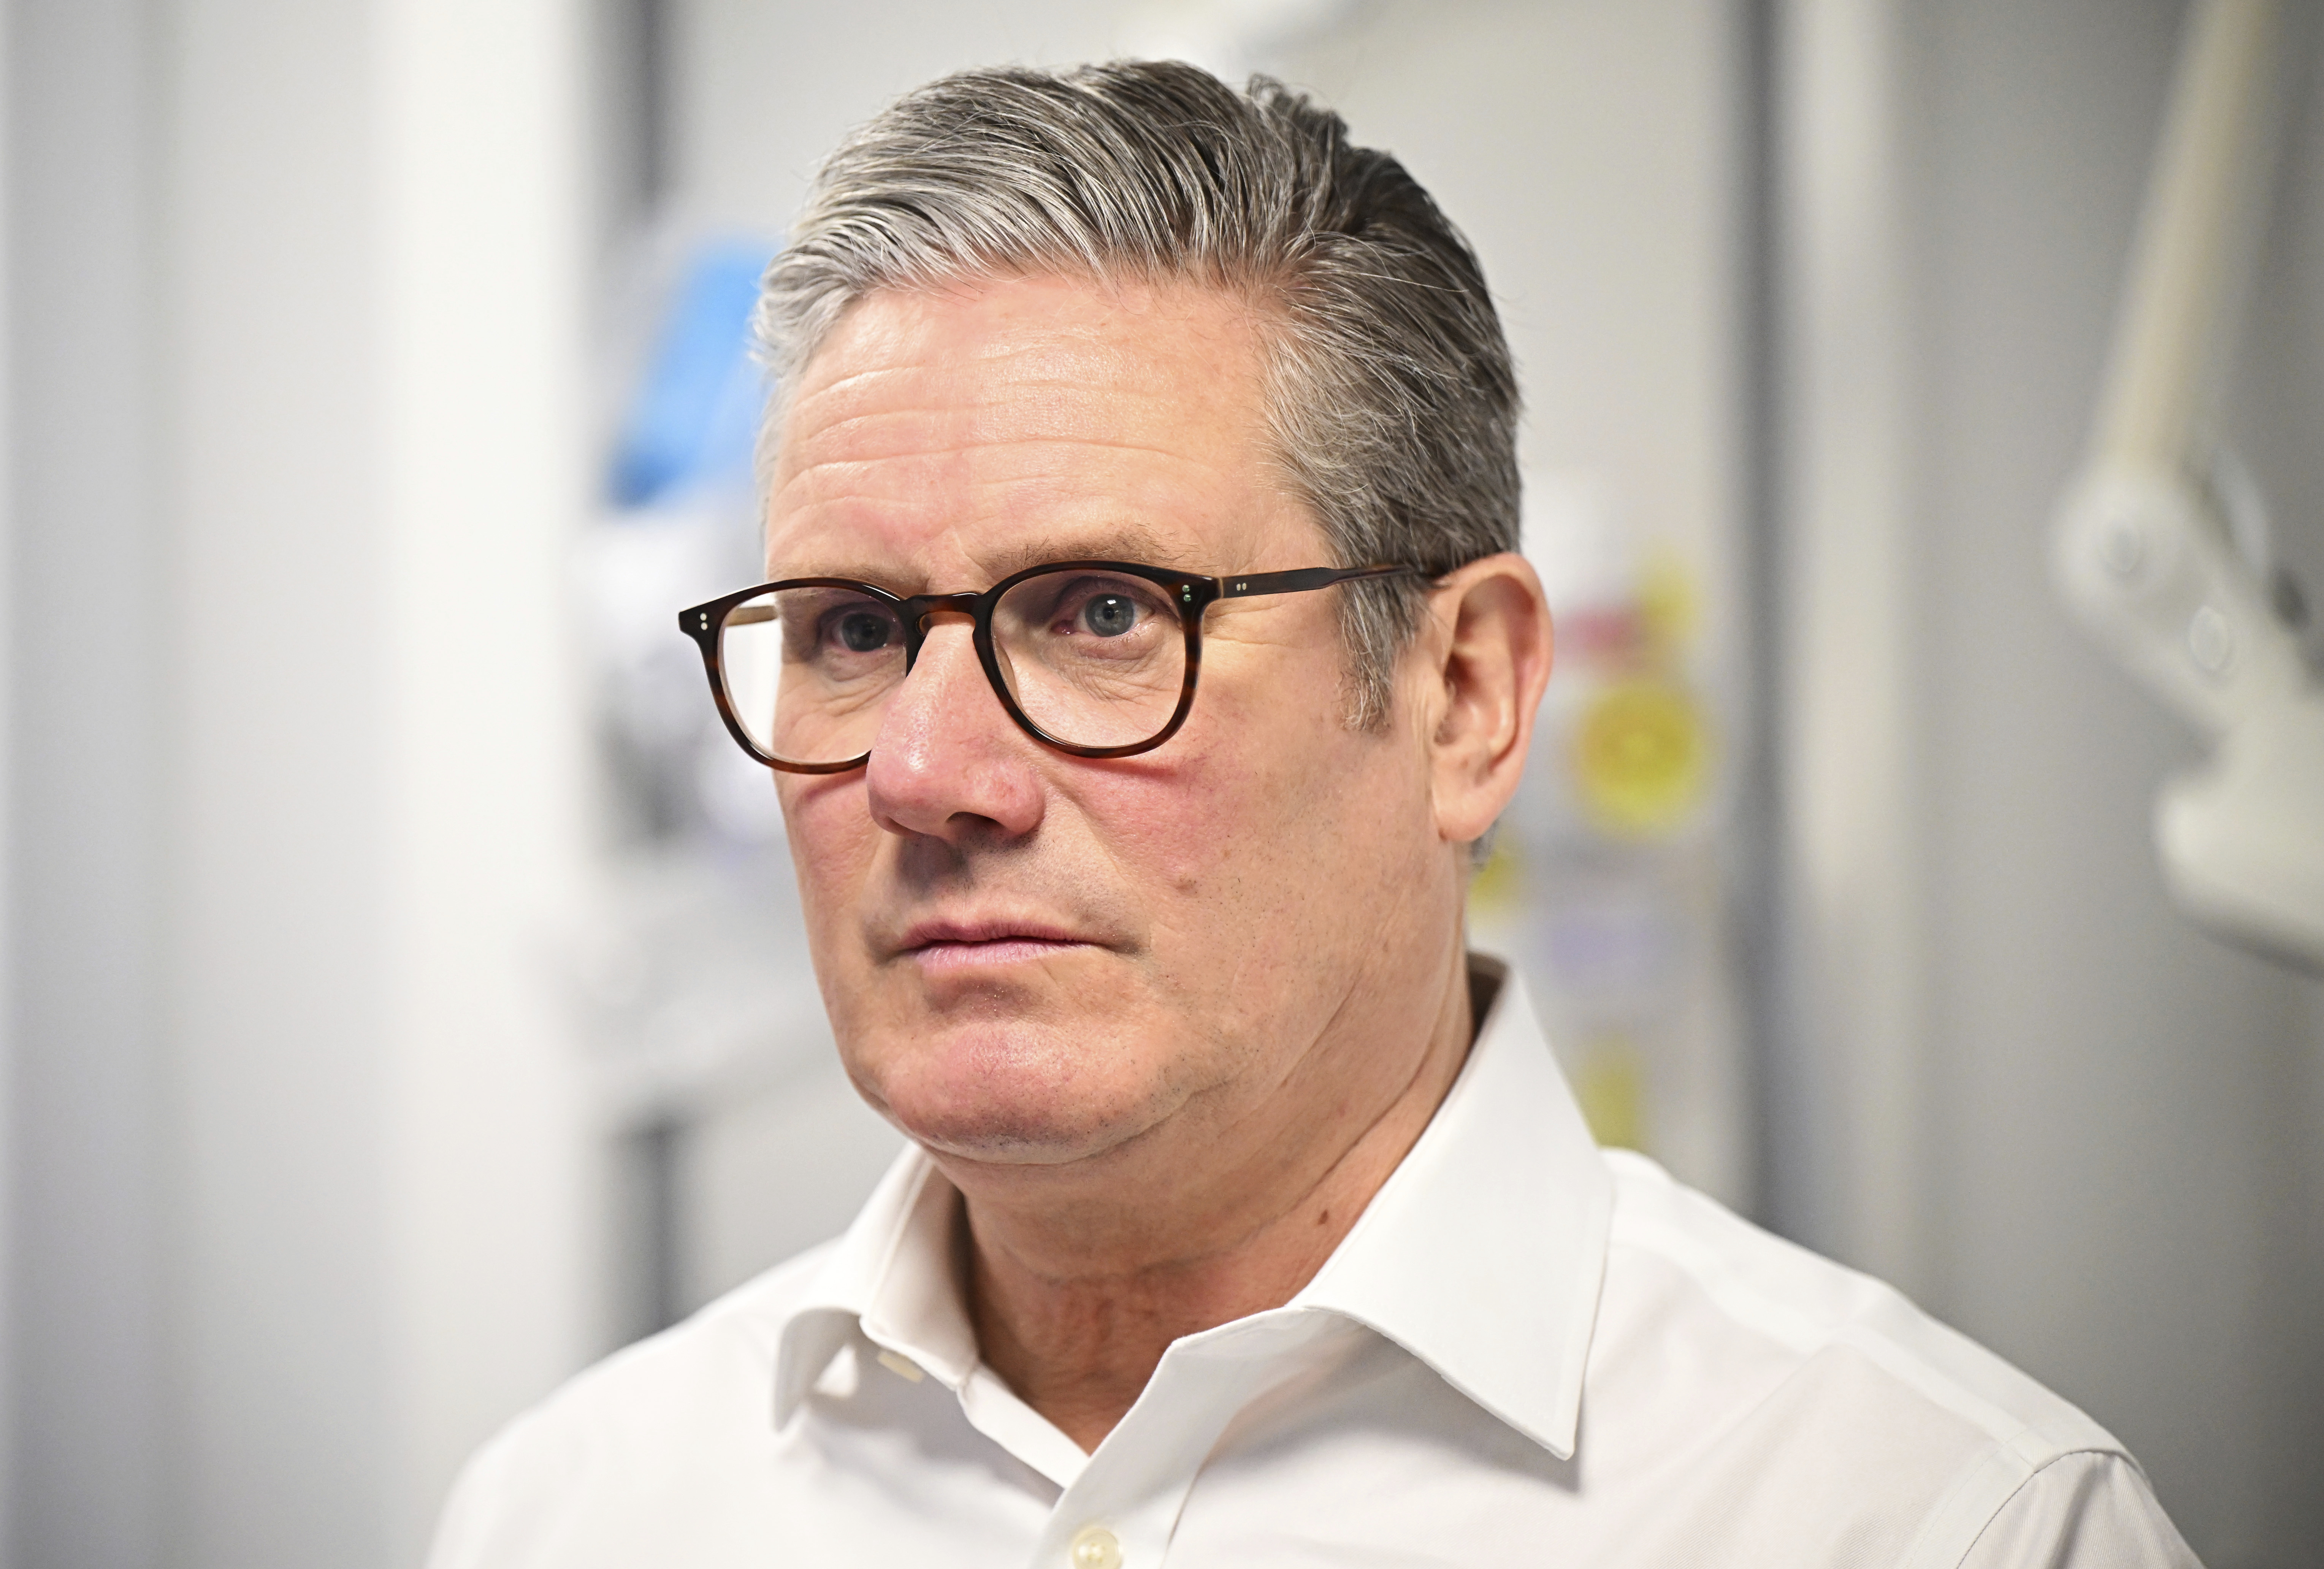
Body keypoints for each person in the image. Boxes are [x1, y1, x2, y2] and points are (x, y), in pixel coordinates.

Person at [428, 61, 2198, 1568]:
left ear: (1464, 698)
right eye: (853, 632)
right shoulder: (579, 1515)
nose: (920, 773)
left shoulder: (1932, 1524)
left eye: (1106, 614)